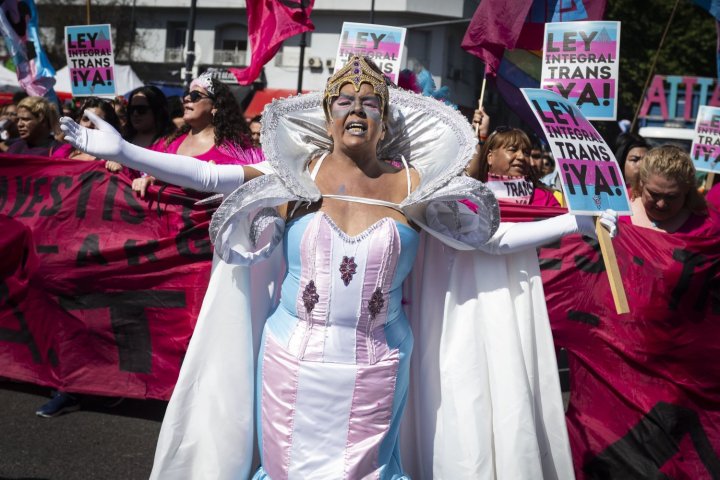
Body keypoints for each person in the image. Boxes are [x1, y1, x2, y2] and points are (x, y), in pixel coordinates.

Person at [60, 55, 615, 479]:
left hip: (377, 367)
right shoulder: (293, 175)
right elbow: (207, 178)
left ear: (384, 119)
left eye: (369, 102)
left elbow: (489, 239)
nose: (356, 109)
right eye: (343, 101)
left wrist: (574, 224)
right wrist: (124, 152)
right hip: (290, 364)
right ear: (327, 118)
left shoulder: (415, 186)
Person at [131, 73, 262, 198]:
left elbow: (258, 179)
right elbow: (143, 164)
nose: (187, 99)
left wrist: (219, 178)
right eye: (186, 94)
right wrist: (148, 178)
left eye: (195, 96)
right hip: (164, 219)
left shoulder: (235, 147)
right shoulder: (170, 142)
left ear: (215, 106)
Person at [624, 144, 716, 235]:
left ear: (687, 190)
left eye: (671, 197)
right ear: (641, 183)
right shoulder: (619, 210)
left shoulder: (705, 231)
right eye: (654, 194)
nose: (661, 204)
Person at [468, 126, 563, 206]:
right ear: (490, 157)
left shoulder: (546, 199)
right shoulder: (474, 197)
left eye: (526, 153)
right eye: (513, 150)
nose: (521, 157)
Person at [51, 97, 125, 173]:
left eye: (96, 121)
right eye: (85, 119)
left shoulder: (118, 157)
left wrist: (120, 171)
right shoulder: (63, 152)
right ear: (78, 121)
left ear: (109, 126)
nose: (89, 125)